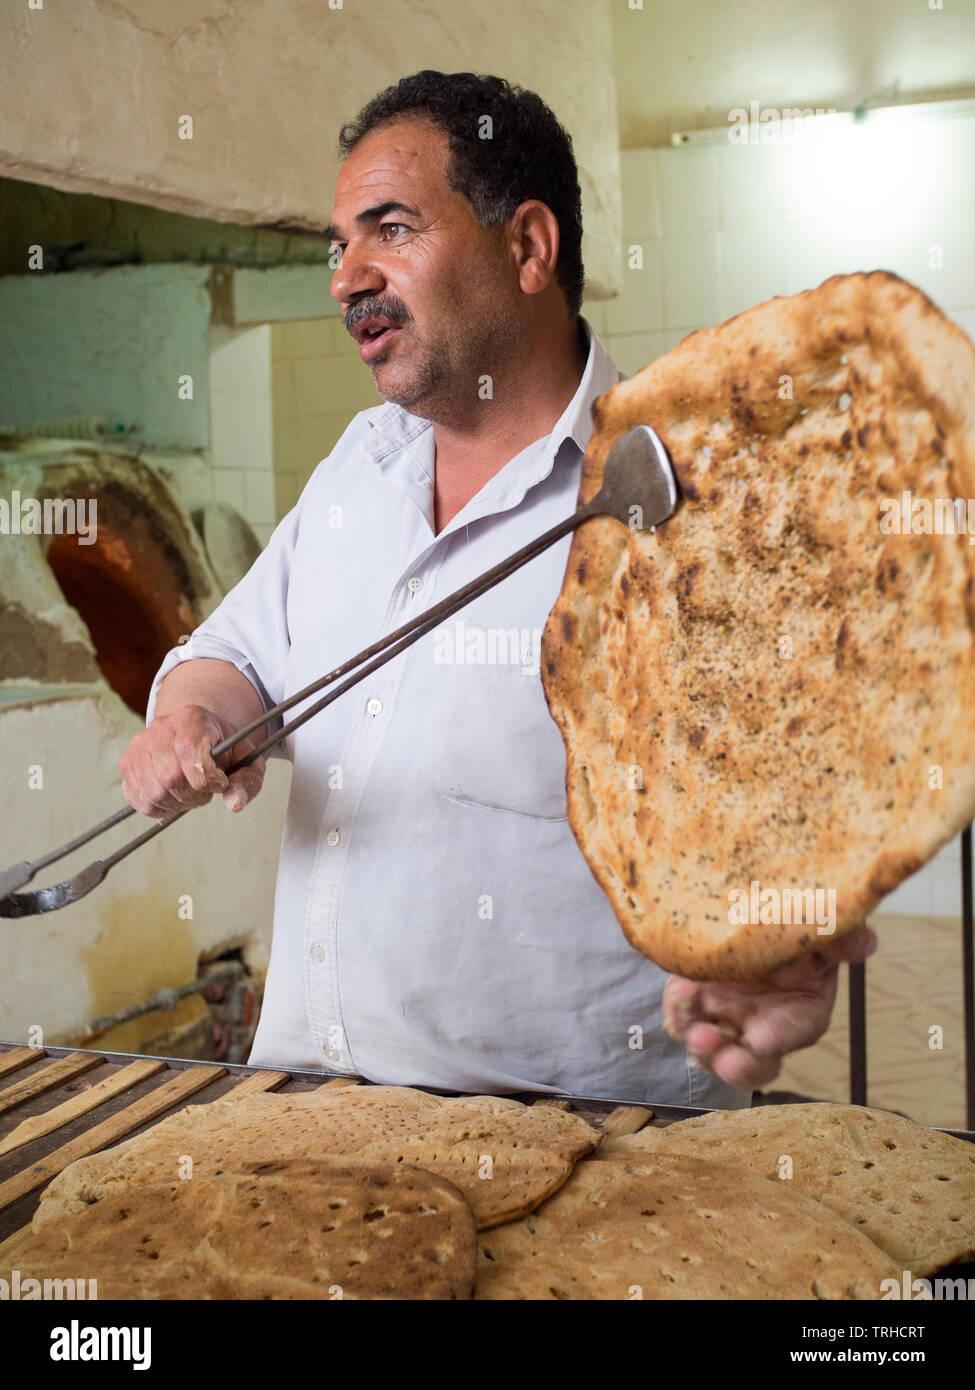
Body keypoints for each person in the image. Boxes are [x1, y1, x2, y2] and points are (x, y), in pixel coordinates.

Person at [120, 71, 876, 1104]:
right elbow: (241, 654)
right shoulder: (361, 464)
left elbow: (793, 834)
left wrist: (773, 946)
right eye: (338, 244)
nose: (347, 277)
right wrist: (194, 713)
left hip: (589, 1149)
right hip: (306, 1116)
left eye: (389, 229)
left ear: (528, 247)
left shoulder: (688, 506)